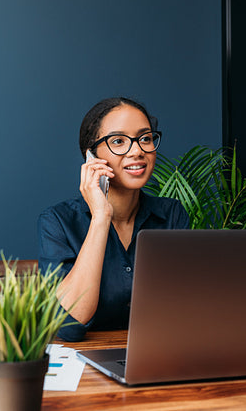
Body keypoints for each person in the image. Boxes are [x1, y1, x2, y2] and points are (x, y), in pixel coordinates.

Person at [37, 97, 189, 341]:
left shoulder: (172, 216)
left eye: (145, 138)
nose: (138, 150)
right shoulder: (58, 221)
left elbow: (183, 312)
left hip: (156, 356)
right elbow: (69, 325)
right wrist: (100, 217)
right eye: (118, 141)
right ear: (91, 156)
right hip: (83, 367)